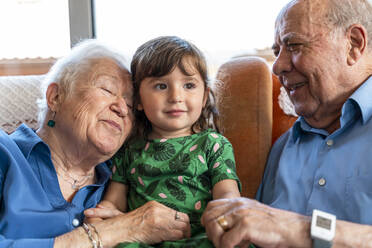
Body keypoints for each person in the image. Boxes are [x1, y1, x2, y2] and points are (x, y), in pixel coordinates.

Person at [201, 0, 372, 247]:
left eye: (294, 45)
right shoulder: (282, 147)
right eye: (277, 51)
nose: (278, 66)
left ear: (354, 44)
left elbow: (283, 225)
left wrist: (303, 229)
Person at [0, 39, 191, 248]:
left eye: (129, 104)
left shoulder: (129, 179)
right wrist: (112, 231)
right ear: (55, 96)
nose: (122, 109)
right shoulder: (5, 154)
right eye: (107, 90)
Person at [85, 36, 241, 247]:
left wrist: (226, 222)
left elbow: (228, 198)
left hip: (199, 239)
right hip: (143, 242)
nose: (176, 96)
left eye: (188, 85)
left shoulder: (214, 145)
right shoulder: (129, 150)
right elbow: (114, 202)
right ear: (138, 100)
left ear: (204, 97)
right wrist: (100, 216)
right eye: (160, 86)